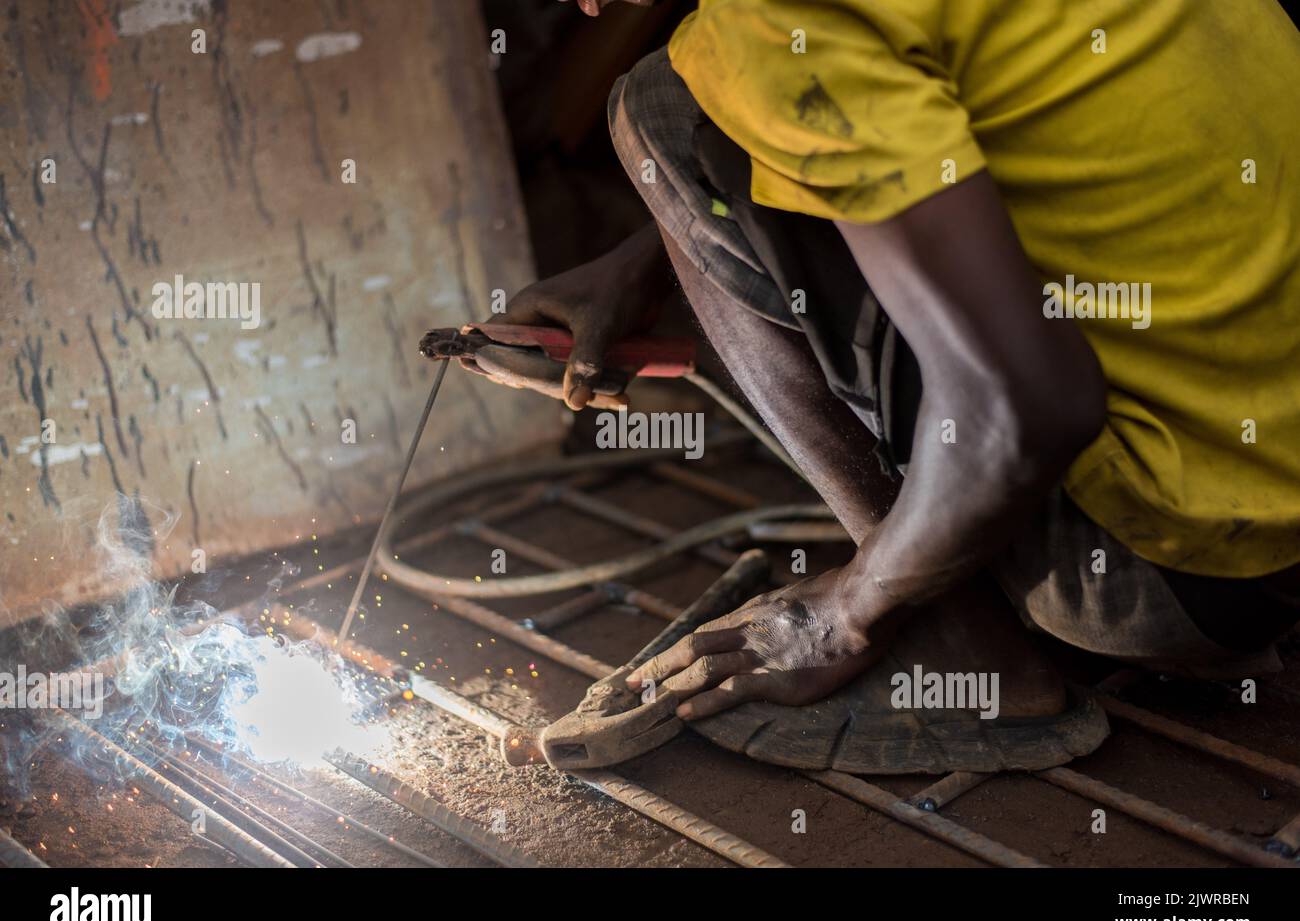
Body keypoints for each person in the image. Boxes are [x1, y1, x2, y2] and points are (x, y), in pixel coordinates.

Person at [465, 0, 1300, 772]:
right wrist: (649, 259)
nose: (580, 7)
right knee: (706, 121)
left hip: (1176, 574)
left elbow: (1033, 408)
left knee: (661, 110)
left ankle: (967, 650)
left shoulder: (770, 25)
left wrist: (841, 614)